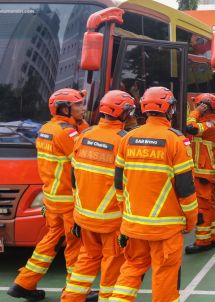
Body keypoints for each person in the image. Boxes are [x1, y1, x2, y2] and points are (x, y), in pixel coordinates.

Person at [109, 87, 198, 302]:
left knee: (131, 268)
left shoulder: (128, 138)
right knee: (164, 275)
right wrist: (190, 221)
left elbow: (119, 185)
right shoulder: (176, 141)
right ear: (169, 109)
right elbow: (186, 190)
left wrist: (126, 216)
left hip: (133, 225)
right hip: (164, 229)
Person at [7, 89, 86, 301]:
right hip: (69, 200)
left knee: (49, 241)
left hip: (52, 198)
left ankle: (24, 282)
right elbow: (83, 156)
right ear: (64, 108)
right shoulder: (67, 133)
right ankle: (73, 293)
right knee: (75, 245)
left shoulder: (46, 129)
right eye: (78, 105)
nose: (82, 108)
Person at [61, 90, 135, 302]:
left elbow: (74, 176)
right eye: (129, 112)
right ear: (123, 113)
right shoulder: (124, 140)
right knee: (112, 266)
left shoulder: (85, 134)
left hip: (84, 216)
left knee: (86, 260)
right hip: (111, 219)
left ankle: (70, 299)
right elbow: (126, 183)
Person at [184, 93, 215, 254]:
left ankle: (203, 241)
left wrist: (195, 112)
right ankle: (213, 237)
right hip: (204, 172)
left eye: (199, 105)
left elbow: (190, 127)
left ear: (204, 107)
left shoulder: (208, 123)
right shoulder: (210, 122)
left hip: (202, 173)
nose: (196, 108)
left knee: (202, 207)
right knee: (210, 206)